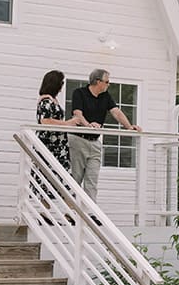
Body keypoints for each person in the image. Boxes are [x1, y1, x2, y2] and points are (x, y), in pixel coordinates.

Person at [67, 67, 141, 201]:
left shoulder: (105, 96)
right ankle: (70, 210)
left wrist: (129, 127)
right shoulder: (79, 93)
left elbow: (116, 112)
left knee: (92, 181)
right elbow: (77, 114)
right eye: (107, 82)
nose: (109, 84)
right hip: (78, 140)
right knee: (75, 179)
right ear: (98, 81)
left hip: (95, 143)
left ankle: (90, 211)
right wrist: (89, 126)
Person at [34, 70, 72, 171]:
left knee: (60, 172)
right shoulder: (46, 101)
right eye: (61, 82)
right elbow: (45, 121)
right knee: (47, 171)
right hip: (49, 142)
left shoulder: (52, 100)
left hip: (58, 143)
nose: (62, 85)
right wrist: (67, 124)